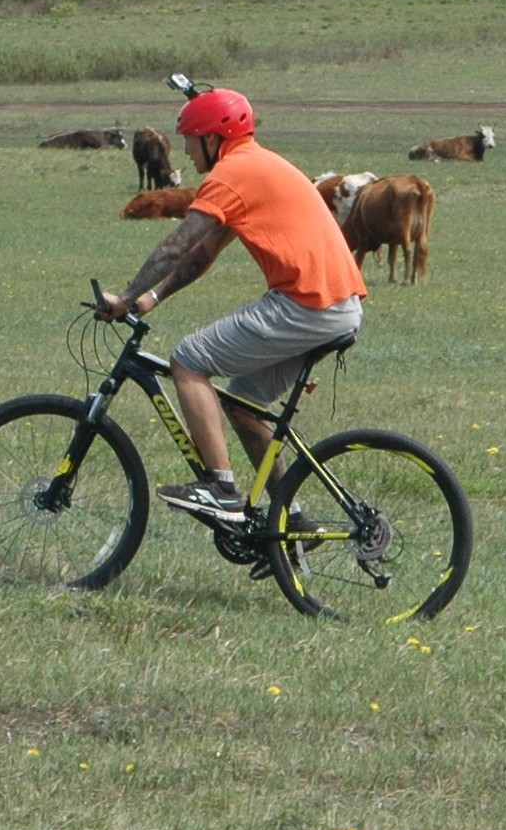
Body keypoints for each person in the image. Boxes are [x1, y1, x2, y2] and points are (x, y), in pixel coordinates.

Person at [100, 88, 364, 522]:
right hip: (336, 305)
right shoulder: (257, 164)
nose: (184, 146)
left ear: (212, 137)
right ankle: (288, 519)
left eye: (189, 137)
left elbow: (176, 245)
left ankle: (220, 488)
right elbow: (203, 252)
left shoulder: (234, 172)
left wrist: (124, 296)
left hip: (308, 304)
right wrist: (150, 298)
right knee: (243, 402)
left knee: (188, 360)